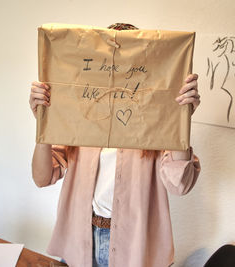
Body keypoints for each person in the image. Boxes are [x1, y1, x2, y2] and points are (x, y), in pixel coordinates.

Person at [30, 23, 201, 267]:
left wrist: (180, 120)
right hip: (80, 240)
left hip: (136, 247)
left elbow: (180, 185)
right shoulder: (80, 116)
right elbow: (41, 177)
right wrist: (44, 122)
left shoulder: (156, 122)